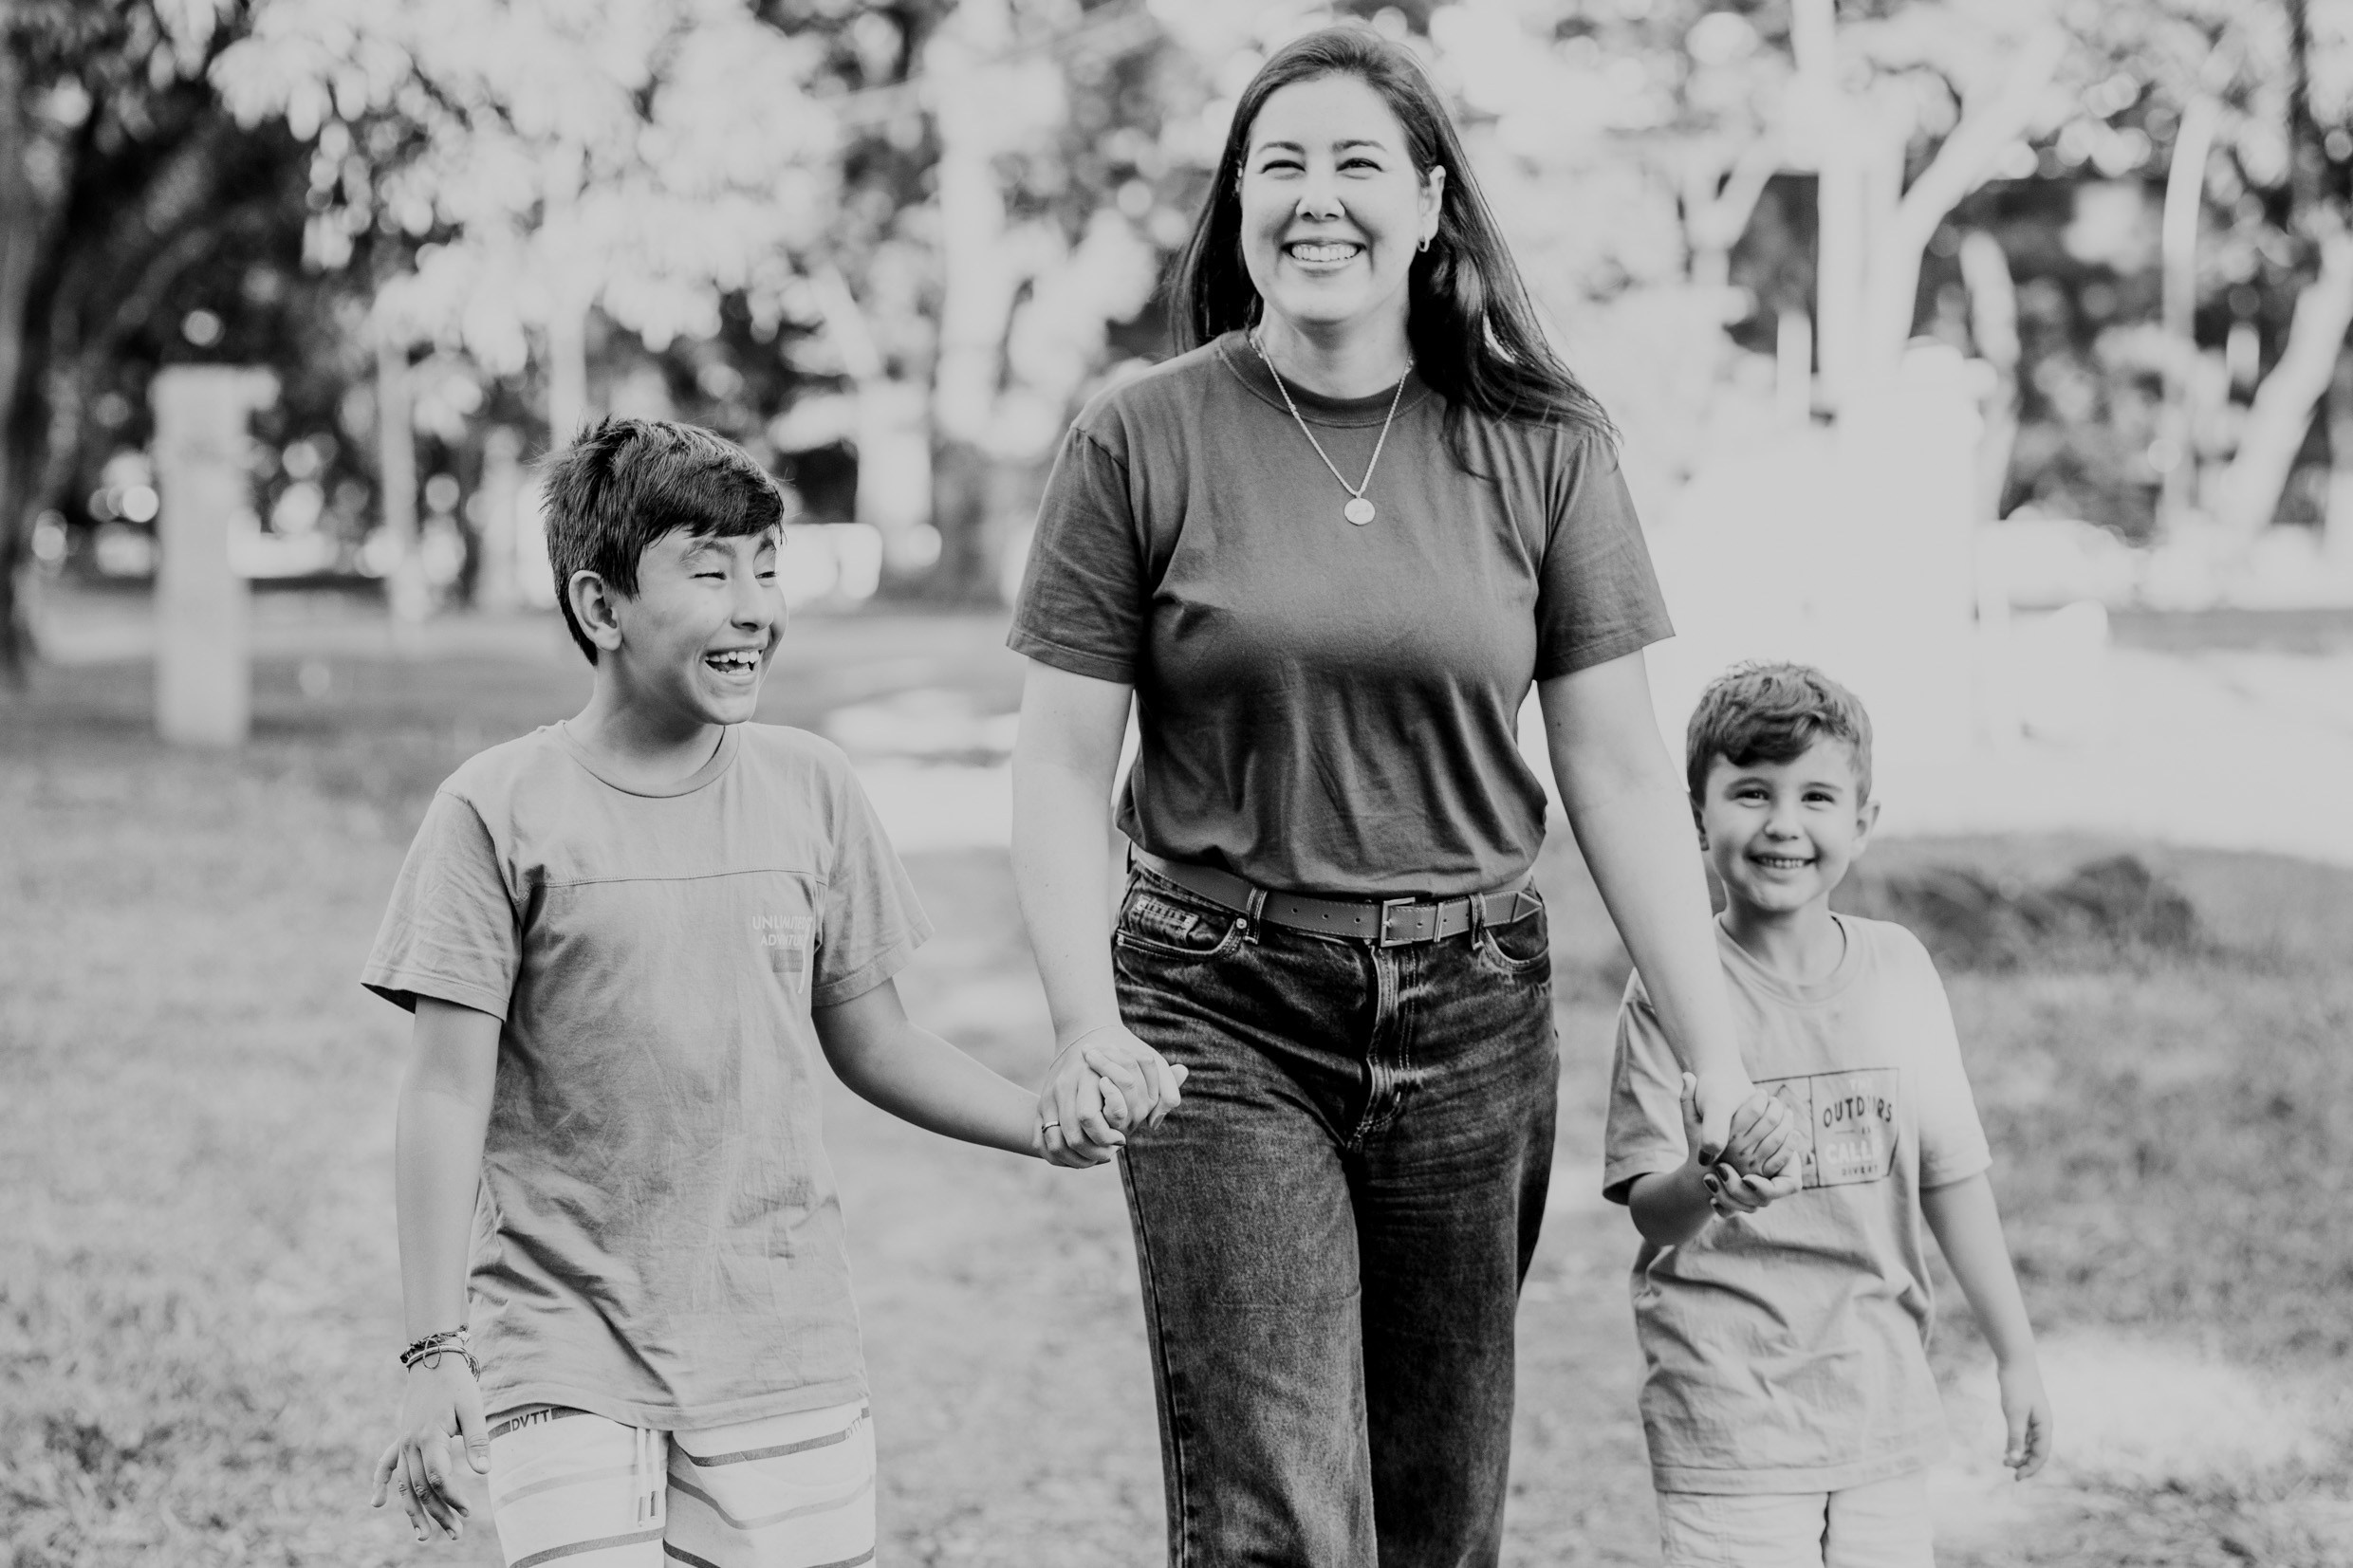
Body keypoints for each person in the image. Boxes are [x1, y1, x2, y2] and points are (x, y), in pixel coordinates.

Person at [1007, 26, 1794, 1566]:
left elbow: (1622, 769)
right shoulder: (1141, 432)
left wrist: (1716, 1048)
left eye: (1357, 162)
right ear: (1237, 206)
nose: (1316, 198)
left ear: (1433, 203)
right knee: (1278, 1519)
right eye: (1276, 164)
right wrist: (1082, 1020)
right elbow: (1051, 762)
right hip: (1215, 1010)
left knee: (1438, 1514)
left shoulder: (1541, 446)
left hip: (1473, 1008)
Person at [358, 418, 1120, 1567]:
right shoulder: (495, 810)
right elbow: (442, 1099)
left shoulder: (810, 788)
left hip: (781, 1345)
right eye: (708, 570)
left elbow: (873, 1040)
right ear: (600, 607)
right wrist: (432, 1352)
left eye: (767, 566)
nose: (754, 604)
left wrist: (1039, 1124)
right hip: (561, 1342)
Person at [1603, 662, 2055, 1567]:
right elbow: (1649, 1207)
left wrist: (2017, 1352)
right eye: (1750, 792)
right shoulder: (1672, 989)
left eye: (1816, 795)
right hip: (1726, 1407)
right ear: (1696, 815)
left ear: (1863, 821)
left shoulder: (1899, 970)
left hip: (1879, 1400)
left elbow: (1951, 1171)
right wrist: (1706, 1178)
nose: (1783, 822)